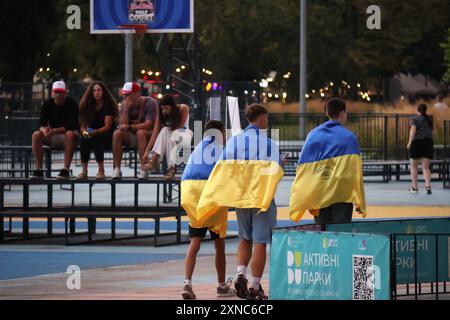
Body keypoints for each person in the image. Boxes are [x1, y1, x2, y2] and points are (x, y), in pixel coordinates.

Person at [196, 104, 284, 300]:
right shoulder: (269, 143)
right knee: (260, 242)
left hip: (241, 197)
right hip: (261, 198)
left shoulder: (233, 142)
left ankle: (241, 274)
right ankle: (254, 285)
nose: (267, 123)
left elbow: (224, 170)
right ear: (261, 119)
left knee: (245, 238)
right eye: (266, 119)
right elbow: (276, 170)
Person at [180, 120, 236, 300]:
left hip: (190, 193)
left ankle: (187, 283)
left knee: (195, 242)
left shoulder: (197, 149)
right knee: (219, 242)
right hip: (210, 193)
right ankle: (221, 286)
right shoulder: (222, 150)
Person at [289, 97, 367, 225]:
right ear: (342, 114)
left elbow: (303, 167)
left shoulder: (313, 135)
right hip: (342, 193)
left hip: (320, 191)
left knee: (322, 232)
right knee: (341, 232)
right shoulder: (349, 137)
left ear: (327, 113)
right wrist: (358, 197)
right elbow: (355, 171)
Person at [31, 81, 79, 180]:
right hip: (52, 135)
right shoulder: (47, 104)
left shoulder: (72, 103)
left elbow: (72, 125)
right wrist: (44, 130)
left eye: (61, 92)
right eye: (56, 92)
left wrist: (54, 131)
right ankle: (38, 169)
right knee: (36, 135)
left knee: (70, 134)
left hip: (66, 136)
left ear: (65, 92)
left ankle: (65, 169)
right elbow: (41, 123)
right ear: (52, 92)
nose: (58, 95)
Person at [112, 82, 159, 179]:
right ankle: (117, 169)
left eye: (128, 94)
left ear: (137, 93)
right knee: (117, 134)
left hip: (149, 136)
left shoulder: (150, 102)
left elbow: (148, 124)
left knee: (141, 132)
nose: (126, 97)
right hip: (132, 136)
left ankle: (143, 168)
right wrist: (125, 110)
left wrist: (129, 127)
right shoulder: (126, 104)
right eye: (124, 94)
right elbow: (121, 125)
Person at [143, 94, 193, 181]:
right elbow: (155, 133)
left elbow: (179, 126)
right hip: (171, 137)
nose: (164, 111)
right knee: (166, 130)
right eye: (162, 108)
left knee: (167, 131)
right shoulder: (161, 114)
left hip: (184, 134)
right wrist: (146, 151)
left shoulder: (183, 108)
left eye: (166, 108)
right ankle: (171, 169)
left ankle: (154, 160)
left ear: (172, 106)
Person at [77, 82, 119, 180]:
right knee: (83, 138)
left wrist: (93, 132)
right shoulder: (87, 106)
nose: (96, 93)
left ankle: (101, 171)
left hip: (108, 135)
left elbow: (107, 127)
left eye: (99, 90)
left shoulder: (108, 105)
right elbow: (83, 125)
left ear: (103, 92)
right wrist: (84, 131)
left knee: (97, 137)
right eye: (94, 91)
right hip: (92, 133)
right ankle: (84, 171)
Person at [407, 103, 434, 195]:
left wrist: (410, 142)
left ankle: (415, 188)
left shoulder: (414, 118)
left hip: (417, 143)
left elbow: (413, 129)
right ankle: (428, 186)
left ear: (417, 109)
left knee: (414, 166)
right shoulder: (429, 119)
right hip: (428, 143)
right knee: (426, 167)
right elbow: (431, 132)